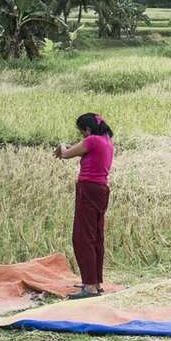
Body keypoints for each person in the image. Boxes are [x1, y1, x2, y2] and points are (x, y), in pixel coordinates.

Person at [55, 112, 114, 298]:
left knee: (82, 237)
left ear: (88, 129)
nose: (82, 136)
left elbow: (65, 154)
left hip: (88, 189)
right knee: (96, 236)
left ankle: (89, 286)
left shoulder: (92, 141)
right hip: (101, 190)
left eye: (82, 132)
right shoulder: (106, 141)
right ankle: (95, 282)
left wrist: (61, 145)